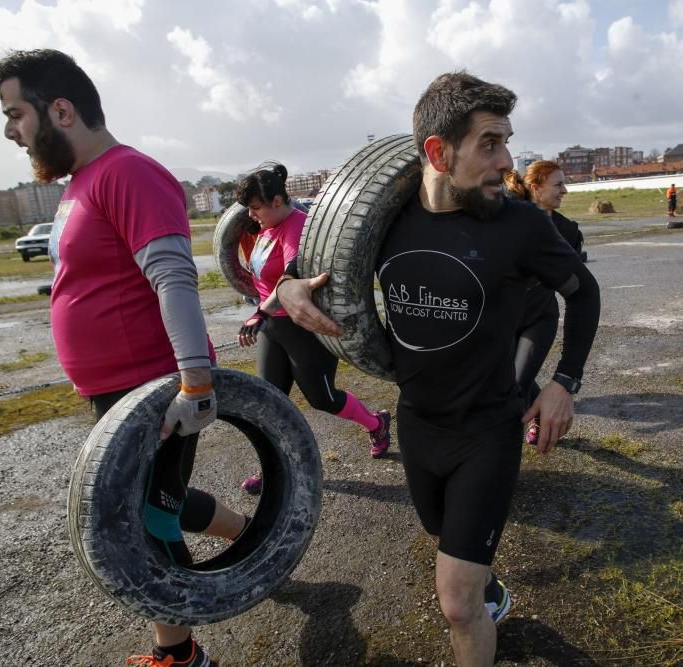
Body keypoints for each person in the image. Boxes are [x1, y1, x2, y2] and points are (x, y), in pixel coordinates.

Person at [274, 71, 600, 667]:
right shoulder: (384, 222)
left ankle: (474, 602)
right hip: (419, 426)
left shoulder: (523, 226)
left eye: (507, 142)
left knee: (454, 603)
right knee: (445, 543)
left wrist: (564, 383)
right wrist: (289, 290)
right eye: (489, 144)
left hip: (488, 429)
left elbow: (584, 294)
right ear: (436, 151)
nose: (506, 162)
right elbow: (303, 271)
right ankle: (482, 584)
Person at [0, 49, 245, 667]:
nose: (9, 129)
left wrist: (195, 382)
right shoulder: (80, 184)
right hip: (115, 394)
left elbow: (174, 278)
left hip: (152, 391)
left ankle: (180, 656)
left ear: (62, 109)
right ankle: (252, 536)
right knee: (156, 501)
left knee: (143, 525)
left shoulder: (129, 172)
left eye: (16, 113)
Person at [234, 163, 391, 495]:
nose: (253, 215)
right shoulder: (265, 227)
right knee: (268, 401)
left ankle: (376, 424)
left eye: (256, 207)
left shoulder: (298, 228)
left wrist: (259, 314)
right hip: (272, 328)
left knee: (323, 398)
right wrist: (262, 314)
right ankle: (271, 467)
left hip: (302, 328)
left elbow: (291, 275)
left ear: (278, 200)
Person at [503, 161, 584, 446]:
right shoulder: (505, 217)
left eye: (564, 183)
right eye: (558, 184)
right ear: (536, 187)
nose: (565, 190)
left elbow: (578, 287)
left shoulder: (569, 231)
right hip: (503, 319)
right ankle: (536, 413)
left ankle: (498, 455)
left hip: (539, 319)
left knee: (515, 385)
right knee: (504, 379)